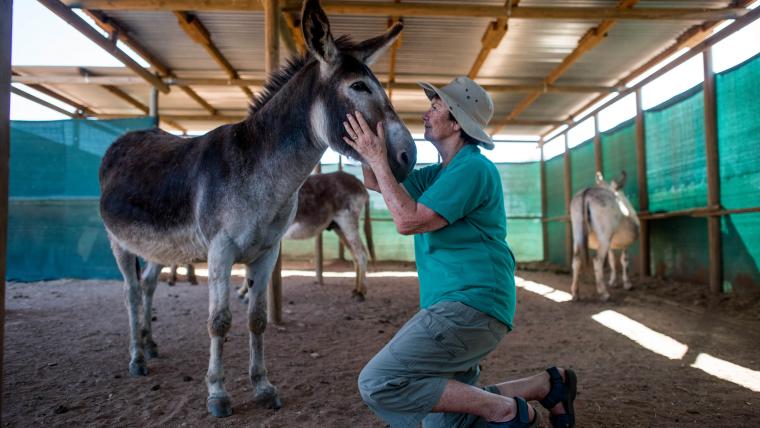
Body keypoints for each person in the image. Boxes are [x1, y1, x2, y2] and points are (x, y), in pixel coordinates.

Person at [342, 76, 577, 428]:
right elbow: (378, 181)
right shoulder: (439, 173)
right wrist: (365, 145)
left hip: (470, 305)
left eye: (435, 107)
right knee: (444, 423)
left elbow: (408, 220)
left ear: (456, 123)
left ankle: (510, 412)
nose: (426, 114)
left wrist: (376, 155)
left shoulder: (473, 168)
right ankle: (547, 385)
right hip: (458, 305)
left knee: (379, 382)